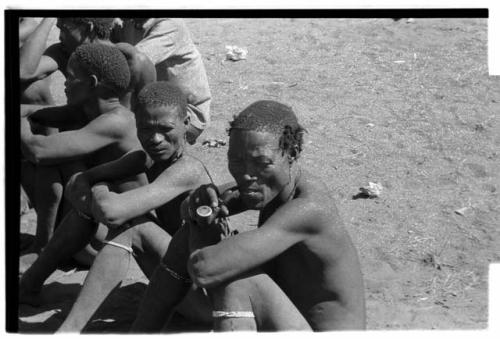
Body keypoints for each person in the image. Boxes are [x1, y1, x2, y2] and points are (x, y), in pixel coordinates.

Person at [131, 100, 366, 331]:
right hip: (289, 323)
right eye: (236, 160)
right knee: (193, 232)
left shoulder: (308, 209)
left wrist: (204, 229)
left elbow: (205, 270)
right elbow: (189, 208)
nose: (246, 175)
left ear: (292, 153)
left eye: (261, 162)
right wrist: (201, 201)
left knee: (233, 280)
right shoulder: (271, 185)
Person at [23, 82, 213, 332]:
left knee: (132, 227)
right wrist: (97, 191)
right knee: (97, 213)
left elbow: (110, 211)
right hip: (174, 280)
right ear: (136, 124)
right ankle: (28, 287)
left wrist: (99, 190)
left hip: (205, 297)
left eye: (166, 129)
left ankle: (67, 331)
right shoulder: (143, 159)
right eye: (145, 129)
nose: (155, 139)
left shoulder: (188, 170)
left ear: (186, 122)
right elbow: (81, 182)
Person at [19, 17, 156, 266]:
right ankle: (45, 244)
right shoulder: (89, 107)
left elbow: (38, 151)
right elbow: (40, 108)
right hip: (95, 213)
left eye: (70, 79)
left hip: (112, 236)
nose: (66, 84)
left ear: (91, 83)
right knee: (50, 162)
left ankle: (47, 249)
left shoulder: (116, 120)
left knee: (50, 158)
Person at [112, 18, 211, 144]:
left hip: (188, 112)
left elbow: (131, 62)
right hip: (157, 101)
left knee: (117, 127)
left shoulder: (170, 25)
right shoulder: (132, 22)